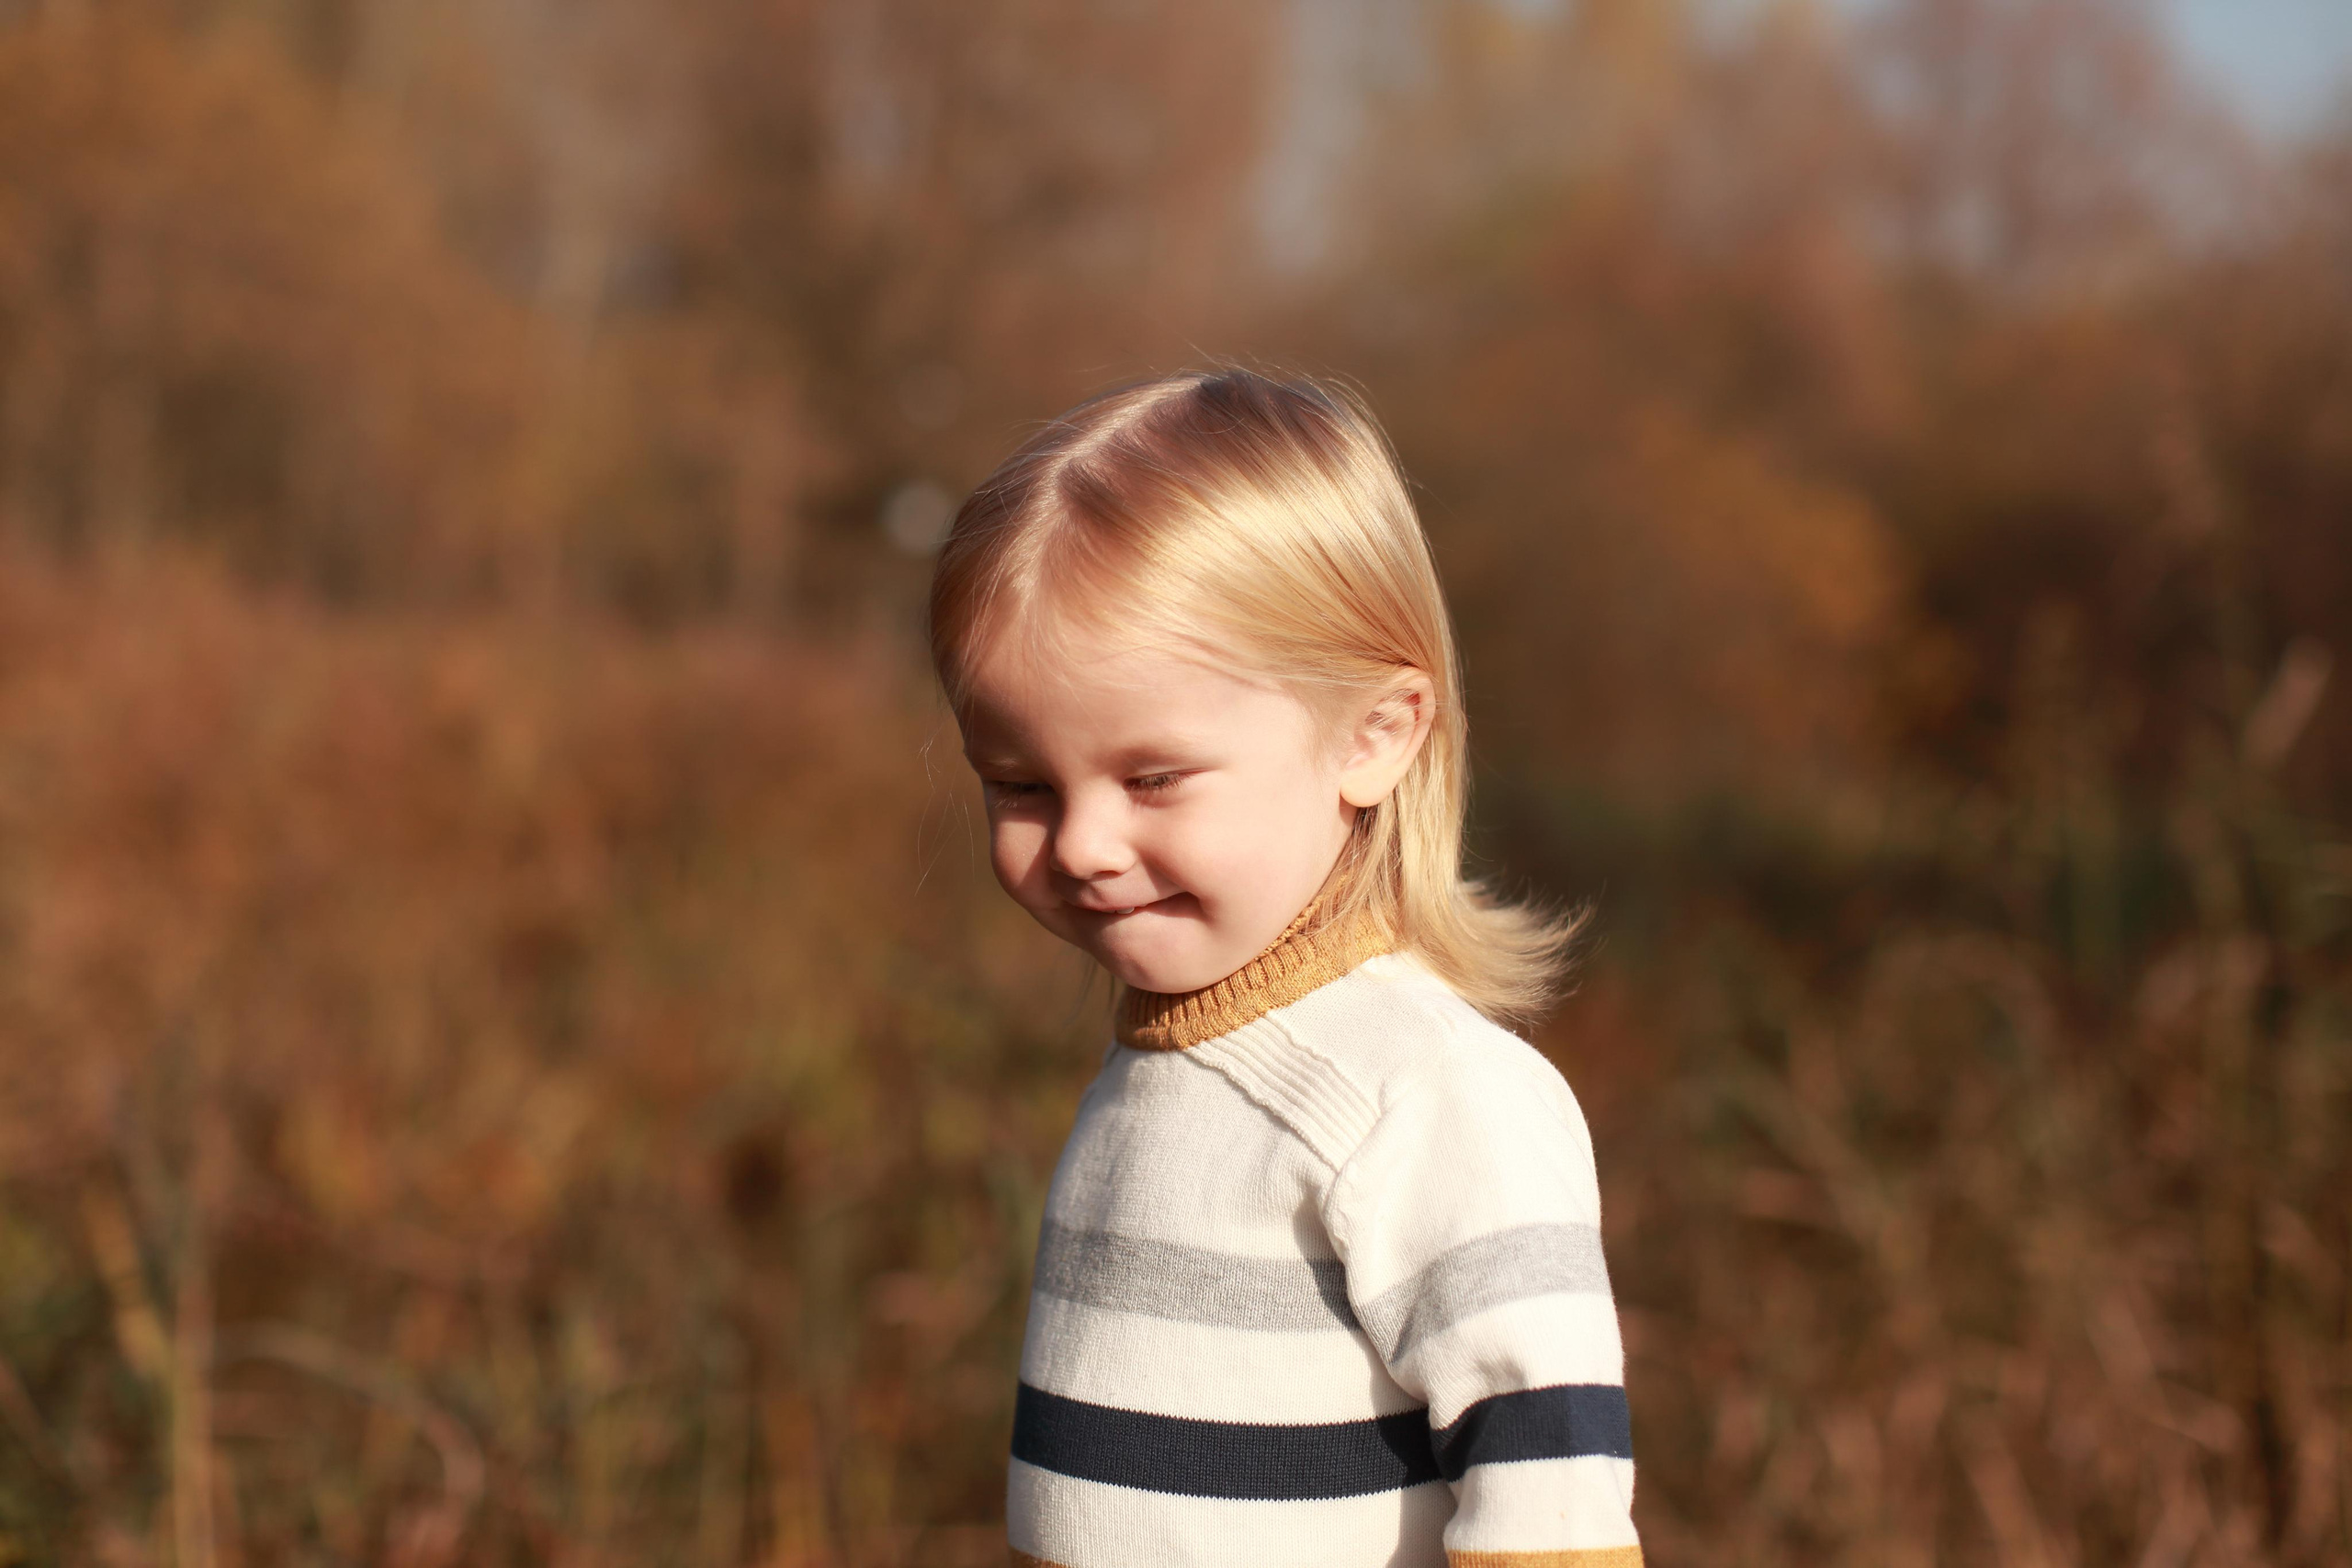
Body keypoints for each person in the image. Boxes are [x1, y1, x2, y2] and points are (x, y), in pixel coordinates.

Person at [928, 367, 1642, 1568]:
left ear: (1373, 735)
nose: (1087, 847)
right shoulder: (1172, 1060)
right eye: (1021, 786)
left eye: (1153, 779)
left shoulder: (1424, 1093)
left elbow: (1552, 1495)